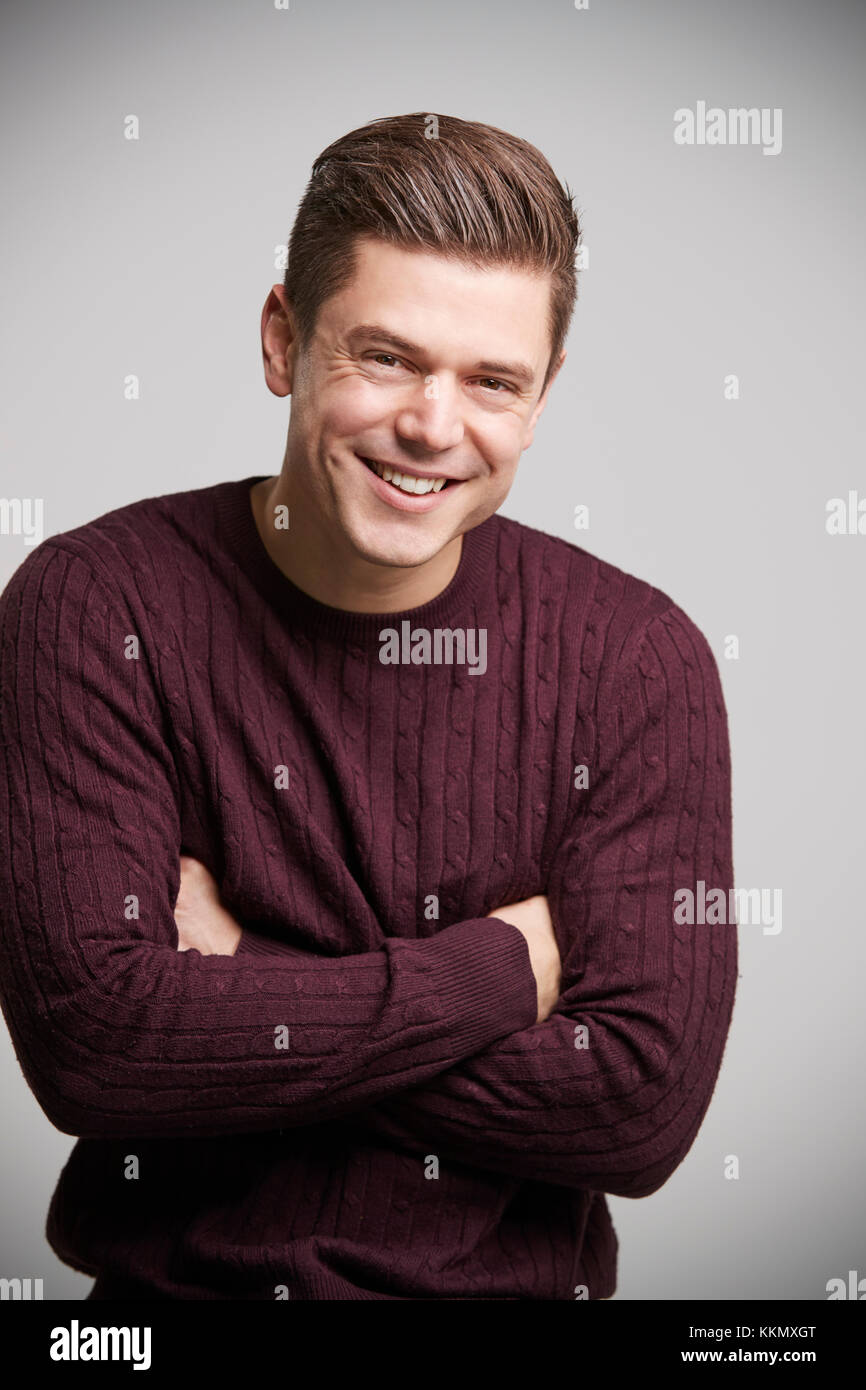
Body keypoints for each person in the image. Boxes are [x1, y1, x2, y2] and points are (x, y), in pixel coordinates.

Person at [0, 112, 737, 1301]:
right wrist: (499, 970)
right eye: (385, 357)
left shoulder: (635, 660)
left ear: (542, 396)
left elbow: (637, 1109)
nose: (432, 429)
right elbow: (99, 1048)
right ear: (282, 338)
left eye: (491, 380)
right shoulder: (97, 604)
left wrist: (245, 970)